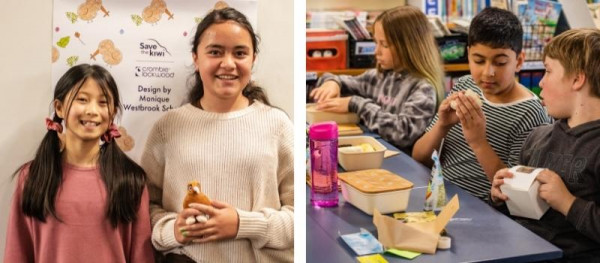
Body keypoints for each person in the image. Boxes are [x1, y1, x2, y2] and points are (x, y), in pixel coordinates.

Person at [141, 7, 293, 263]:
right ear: (196, 58)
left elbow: (299, 216)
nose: (228, 63)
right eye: (215, 52)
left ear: (253, 60)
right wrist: (173, 230)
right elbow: (146, 208)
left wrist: (242, 224)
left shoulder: (277, 125)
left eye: (240, 53)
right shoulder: (167, 127)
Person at [3, 64, 154, 263]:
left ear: (112, 114)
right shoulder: (33, 177)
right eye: (82, 99)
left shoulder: (131, 180)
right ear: (59, 108)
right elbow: (17, 253)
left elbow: (142, 256)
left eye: (103, 102)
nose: (92, 110)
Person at [412, 7, 551, 201]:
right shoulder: (464, 85)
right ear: (468, 55)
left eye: (500, 63)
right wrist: (441, 126)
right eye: (478, 61)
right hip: (437, 192)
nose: (488, 72)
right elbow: (419, 157)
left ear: (519, 61)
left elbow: (514, 194)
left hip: (482, 207)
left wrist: (478, 142)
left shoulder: (530, 112)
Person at [491, 29, 600, 261]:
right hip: (516, 248)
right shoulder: (538, 137)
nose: (540, 82)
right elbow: (517, 214)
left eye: (548, 71)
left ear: (577, 79)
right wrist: (503, 194)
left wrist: (568, 203)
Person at [309, 5, 444, 154]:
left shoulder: (423, 89)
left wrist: (357, 105)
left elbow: (402, 133)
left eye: (384, 45)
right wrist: (332, 82)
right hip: (374, 152)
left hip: (402, 162)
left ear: (409, 47)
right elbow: (341, 81)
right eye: (376, 43)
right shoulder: (378, 76)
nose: (376, 51)